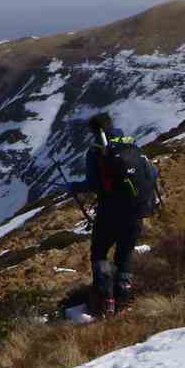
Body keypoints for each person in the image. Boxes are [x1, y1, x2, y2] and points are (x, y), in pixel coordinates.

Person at [66, 112, 151, 317]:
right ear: (112, 125)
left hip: (110, 212)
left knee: (99, 252)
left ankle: (106, 299)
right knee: (125, 253)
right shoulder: (131, 144)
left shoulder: (97, 152)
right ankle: (124, 296)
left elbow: (93, 184)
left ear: (93, 131)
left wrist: (72, 187)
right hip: (137, 210)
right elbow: (151, 173)